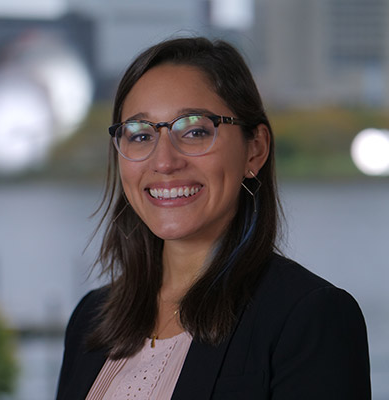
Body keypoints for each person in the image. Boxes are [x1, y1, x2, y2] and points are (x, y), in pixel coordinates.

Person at [56, 37, 371, 400]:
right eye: (140, 135)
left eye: (194, 131)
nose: (164, 162)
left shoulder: (311, 319)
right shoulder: (91, 318)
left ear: (255, 150)